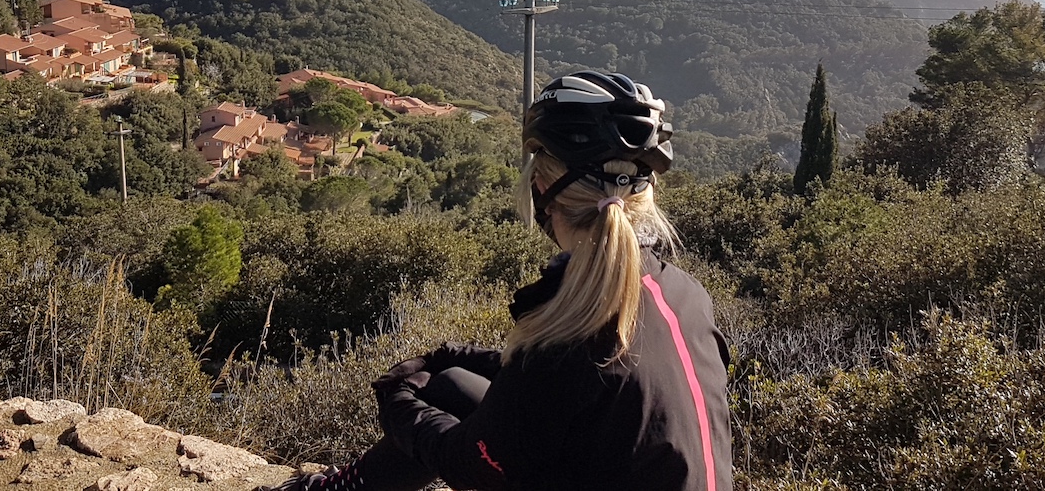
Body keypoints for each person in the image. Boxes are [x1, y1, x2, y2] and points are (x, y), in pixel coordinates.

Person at [264, 71, 733, 491]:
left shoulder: (567, 335)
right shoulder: (687, 296)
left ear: (542, 190)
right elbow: (587, 385)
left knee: (435, 397)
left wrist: (396, 402)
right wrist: (454, 356)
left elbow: (476, 466)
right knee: (447, 381)